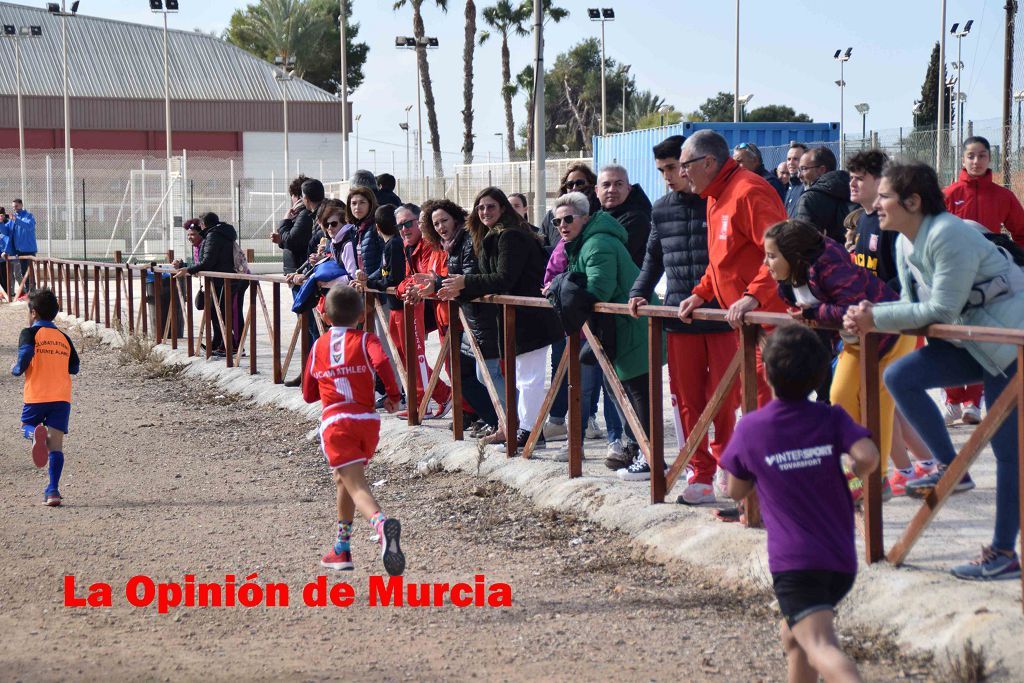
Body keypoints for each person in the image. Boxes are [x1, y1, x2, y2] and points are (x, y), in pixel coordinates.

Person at [845, 161, 1023, 580]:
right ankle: (951, 467)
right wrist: (868, 313)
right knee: (899, 376)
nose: (878, 204)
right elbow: (912, 308)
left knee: (1009, 454)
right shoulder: (906, 242)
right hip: (974, 344)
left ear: (913, 201)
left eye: (885, 196)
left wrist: (875, 317)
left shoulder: (947, 234)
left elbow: (940, 309)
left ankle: (1003, 553)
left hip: (1011, 347)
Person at [721, 324, 874, 683]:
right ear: (820, 373)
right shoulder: (830, 416)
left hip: (796, 563)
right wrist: (855, 468)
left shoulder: (752, 428)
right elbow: (867, 455)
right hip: (840, 559)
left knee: (820, 644)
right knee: (794, 637)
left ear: (767, 373)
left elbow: (734, 491)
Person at [763, 219, 916, 501]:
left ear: (794, 255)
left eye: (772, 256)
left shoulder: (829, 266)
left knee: (878, 404)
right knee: (840, 395)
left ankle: (876, 478)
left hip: (890, 333)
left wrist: (813, 314)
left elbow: (851, 307)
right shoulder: (791, 279)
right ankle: (858, 465)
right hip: (857, 342)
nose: (766, 262)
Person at [629, 135, 738, 503]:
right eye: (662, 171)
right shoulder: (660, 209)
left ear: (692, 164)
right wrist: (638, 291)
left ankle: (725, 463)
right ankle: (699, 471)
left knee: (724, 399)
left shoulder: (721, 202)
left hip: (723, 315)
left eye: (674, 168)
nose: (669, 177)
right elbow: (653, 257)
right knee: (687, 401)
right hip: (679, 317)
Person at [437, 187, 563, 452]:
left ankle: (529, 432)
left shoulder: (510, 236)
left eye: (491, 207)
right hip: (513, 317)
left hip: (531, 316)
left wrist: (464, 282)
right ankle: (518, 428)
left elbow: (504, 278)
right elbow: (485, 279)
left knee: (529, 379)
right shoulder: (492, 235)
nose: (485, 212)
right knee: (519, 378)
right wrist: (449, 283)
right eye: (480, 208)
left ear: (503, 208)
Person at [676, 129, 788, 407]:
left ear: (708, 162)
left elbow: (782, 250)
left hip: (768, 325)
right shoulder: (716, 195)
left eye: (685, 166)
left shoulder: (748, 191)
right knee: (748, 403)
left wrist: (753, 296)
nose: (681, 173)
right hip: (746, 325)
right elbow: (723, 259)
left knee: (763, 407)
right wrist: (702, 292)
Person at [302, 285, 405, 576]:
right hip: (367, 422)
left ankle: (382, 525)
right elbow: (383, 361)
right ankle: (341, 548)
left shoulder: (319, 345)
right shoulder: (366, 339)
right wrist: (393, 394)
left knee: (356, 486)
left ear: (322, 313)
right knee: (344, 480)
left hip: (337, 423)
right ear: (362, 315)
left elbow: (308, 394)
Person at [554, 192, 658, 479]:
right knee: (620, 391)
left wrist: (562, 286)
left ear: (585, 218)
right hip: (618, 327)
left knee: (638, 394)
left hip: (632, 326)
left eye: (568, 219)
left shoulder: (597, 243)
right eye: (557, 221)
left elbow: (598, 289)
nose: (562, 225)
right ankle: (638, 450)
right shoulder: (583, 243)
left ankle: (651, 459)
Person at [940, 136, 1024, 426]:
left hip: (990, 283)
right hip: (951, 280)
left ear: (991, 159)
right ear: (962, 159)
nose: (977, 162)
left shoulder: (1003, 197)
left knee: (983, 339)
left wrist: (1016, 264)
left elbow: (1020, 232)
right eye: (971, 156)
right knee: (947, 338)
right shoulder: (948, 195)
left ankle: (973, 401)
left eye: (983, 156)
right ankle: (952, 399)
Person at [411, 200, 501, 436]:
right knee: (467, 375)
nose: (440, 226)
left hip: (476, 319)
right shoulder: (448, 245)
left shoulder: (467, 241)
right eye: (435, 223)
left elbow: (467, 278)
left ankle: (507, 423)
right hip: (462, 318)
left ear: (457, 219)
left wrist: (437, 283)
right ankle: (496, 421)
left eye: (444, 221)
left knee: (487, 375)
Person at [11, 289, 81, 507]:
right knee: (56, 445)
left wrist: (16, 369)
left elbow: (24, 357)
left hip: (37, 395)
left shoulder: (29, 333)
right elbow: (75, 367)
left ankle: (33, 436)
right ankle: (53, 491)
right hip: (61, 397)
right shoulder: (64, 338)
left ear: (33, 313)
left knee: (26, 425)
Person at [173, 212, 238, 357]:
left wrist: (189, 270)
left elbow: (208, 261)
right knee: (216, 313)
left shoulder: (213, 236)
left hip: (222, 279)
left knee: (221, 313)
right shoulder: (221, 233)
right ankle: (218, 343)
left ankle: (229, 345)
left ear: (203, 224)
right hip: (220, 279)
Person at [595, 164, 653, 268]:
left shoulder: (636, 219)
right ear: (597, 191)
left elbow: (607, 259)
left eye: (618, 184)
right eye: (606, 185)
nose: (612, 190)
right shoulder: (597, 217)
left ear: (628, 188)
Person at [793, 147, 855, 244]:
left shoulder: (809, 199)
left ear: (822, 169)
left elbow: (803, 242)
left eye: (803, 169)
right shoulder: (855, 190)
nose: (799, 175)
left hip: (822, 258)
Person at [540, 163, 600, 248]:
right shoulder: (551, 216)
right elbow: (540, 246)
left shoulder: (597, 214)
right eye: (570, 185)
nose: (574, 188)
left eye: (580, 183)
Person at [272, 175, 312, 275]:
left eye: (292, 196)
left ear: (297, 196)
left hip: (299, 269)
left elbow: (292, 240)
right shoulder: (298, 214)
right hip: (295, 268)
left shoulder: (304, 214)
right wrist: (281, 241)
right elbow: (294, 239)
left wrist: (285, 220)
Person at [2, 198, 37, 298]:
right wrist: (1, 222)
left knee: (29, 271)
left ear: (21, 205)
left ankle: (32, 292)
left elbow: (29, 226)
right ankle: (29, 293)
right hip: (19, 250)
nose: (15, 209)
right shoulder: (14, 218)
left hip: (29, 249)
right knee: (23, 272)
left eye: (16, 206)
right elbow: (6, 231)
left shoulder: (28, 216)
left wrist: (16, 220)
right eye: (13, 207)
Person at [784, 142, 809, 217]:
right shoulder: (790, 185)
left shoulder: (807, 186)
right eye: (788, 159)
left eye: (795, 159)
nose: (790, 163)